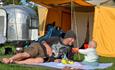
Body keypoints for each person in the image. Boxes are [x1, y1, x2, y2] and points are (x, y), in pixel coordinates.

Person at [2, 30, 76, 64]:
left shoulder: (70, 48)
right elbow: (42, 40)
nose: (73, 41)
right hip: (39, 47)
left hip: (46, 57)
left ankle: (16, 62)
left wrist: (58, 60)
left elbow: (69, 59)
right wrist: (47, 46)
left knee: (39, 61)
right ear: (68, 37)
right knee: (27, 54)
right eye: (72, 39)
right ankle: (9, 59)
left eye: (73, 40)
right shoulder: (56, 39)